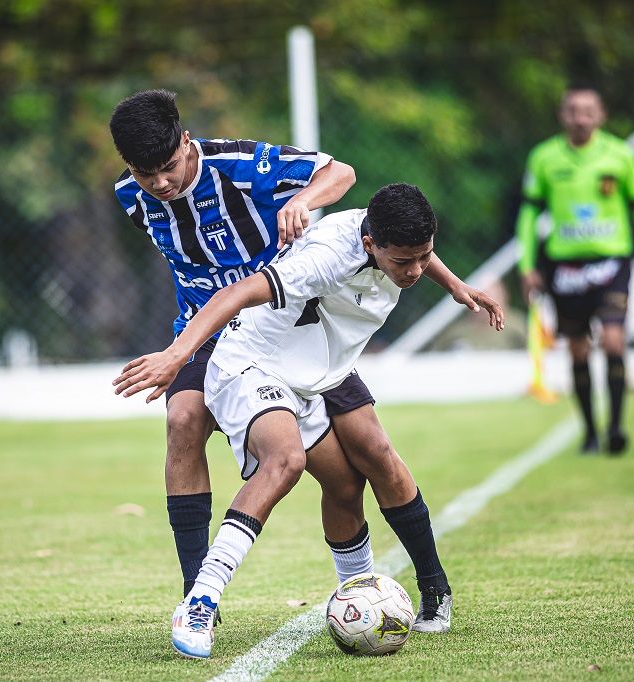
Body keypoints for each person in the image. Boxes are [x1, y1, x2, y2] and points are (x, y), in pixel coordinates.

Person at [109, 90, 478, 636]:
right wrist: (175, 352)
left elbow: (346, 181)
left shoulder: (241, 165)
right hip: (215, 332)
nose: (159, 184)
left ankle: (401, 591)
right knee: (185, 421)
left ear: (186, 143)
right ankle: (196, 595)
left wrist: (302, 200)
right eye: (145, 173)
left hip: (291, 323)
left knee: (365, 462)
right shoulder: (130, 197)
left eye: (167, 168)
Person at [515, 84, 634, 455]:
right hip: (565, 267)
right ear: (562, 115)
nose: (580, 117)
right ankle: (589, 431)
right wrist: (526, 265)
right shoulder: (544, 158)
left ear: (600, 116)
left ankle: (616, 427)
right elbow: (528, 214)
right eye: (573, 110)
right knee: (578, 350)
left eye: (588, 111)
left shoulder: (620, 156)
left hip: (612, 262)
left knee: (615, 340)